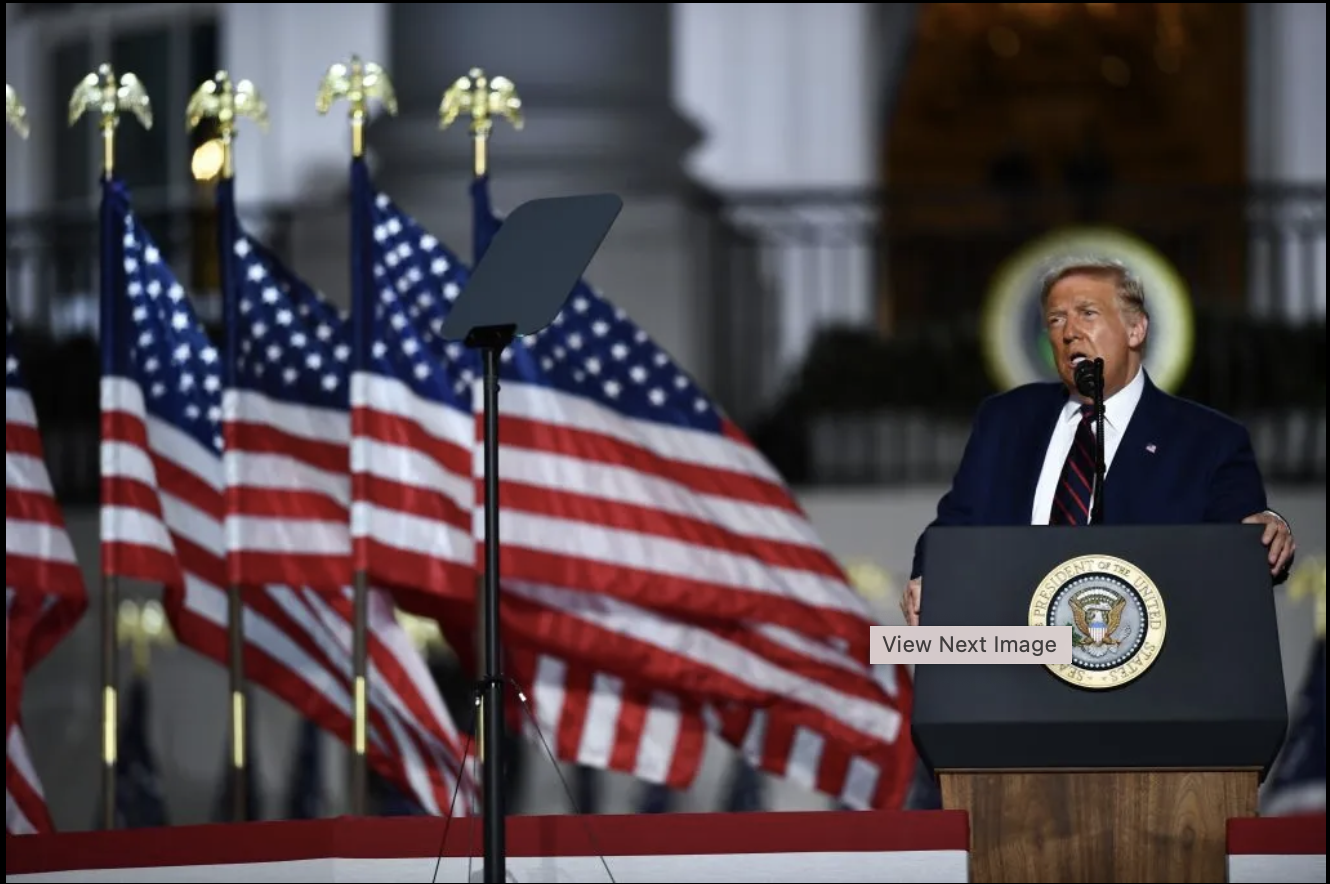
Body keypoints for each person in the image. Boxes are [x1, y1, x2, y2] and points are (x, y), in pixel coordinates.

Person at [900, 255, 1296, 628]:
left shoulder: (1210, 441)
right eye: (1055, 320)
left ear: (1135, 329)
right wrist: (929, 577)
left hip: (1151, 672)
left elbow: (1241, 554)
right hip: (1017, 657)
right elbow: (953, 528)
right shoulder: (1006, 420)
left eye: (1087, 313)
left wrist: (1267, 530)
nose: (1069, 332)